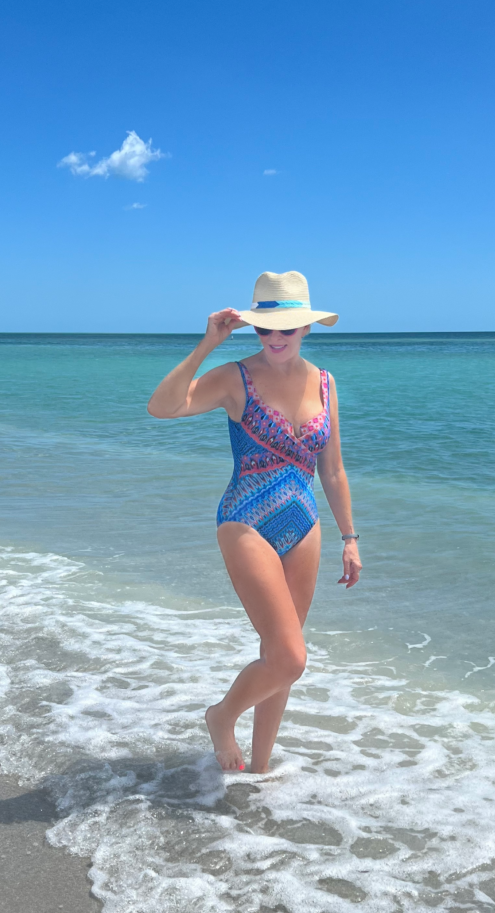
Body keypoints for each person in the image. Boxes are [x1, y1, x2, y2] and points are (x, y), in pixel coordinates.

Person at [147, 271, 362, 773]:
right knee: (290, 656)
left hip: (303, 522)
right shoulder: (233, 378)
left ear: (305, 327)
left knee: (279, 659)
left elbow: (331, 469)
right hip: (245, 518)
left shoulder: (325, 384)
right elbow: (162, 408)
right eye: (265, 328)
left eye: (287, 326)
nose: (277, 337)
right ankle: (221, 718)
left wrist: (350, 538)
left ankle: (261, 771)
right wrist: (206, 345)